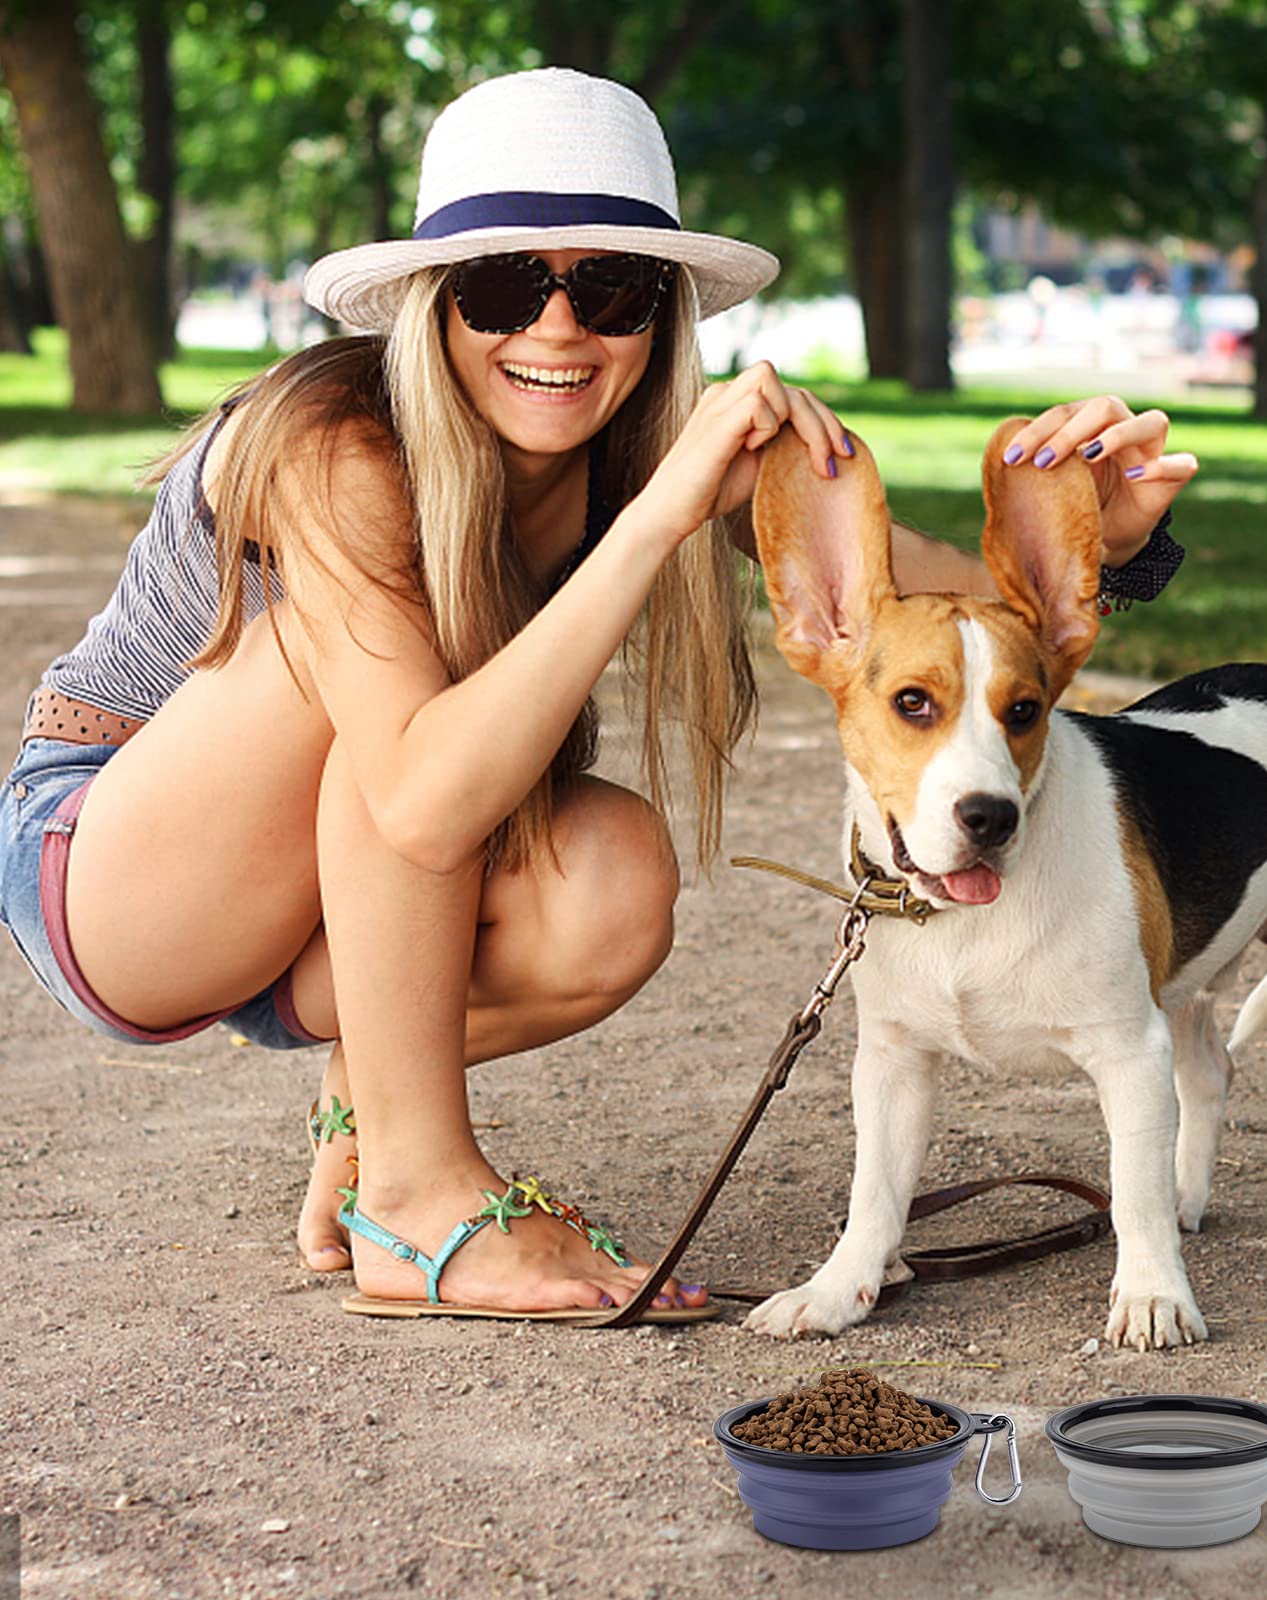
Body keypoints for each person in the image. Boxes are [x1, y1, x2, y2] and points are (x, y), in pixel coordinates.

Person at [0, 68, 1198, 1320]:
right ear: (431, 302)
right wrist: (665, 513)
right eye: (506, 284)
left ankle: (372, 1114)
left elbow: (935, 615)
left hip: (328, 903)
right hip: (115, 872)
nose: (559, 329)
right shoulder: (334, 437)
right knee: (366, 682)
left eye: (612, 288)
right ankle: (419, 1199)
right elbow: (413, 789)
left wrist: (1106, 543)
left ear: (663, 312)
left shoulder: (643, 443)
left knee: (615, 874)